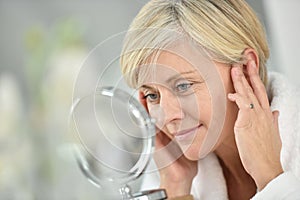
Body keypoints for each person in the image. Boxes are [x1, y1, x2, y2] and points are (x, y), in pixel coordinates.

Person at [120, 0, 300, 199]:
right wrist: (175, 187)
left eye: (183, 86)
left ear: (245, 69)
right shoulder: (166, 175)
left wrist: (271, 179)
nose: (168, 116)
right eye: (152, 95)